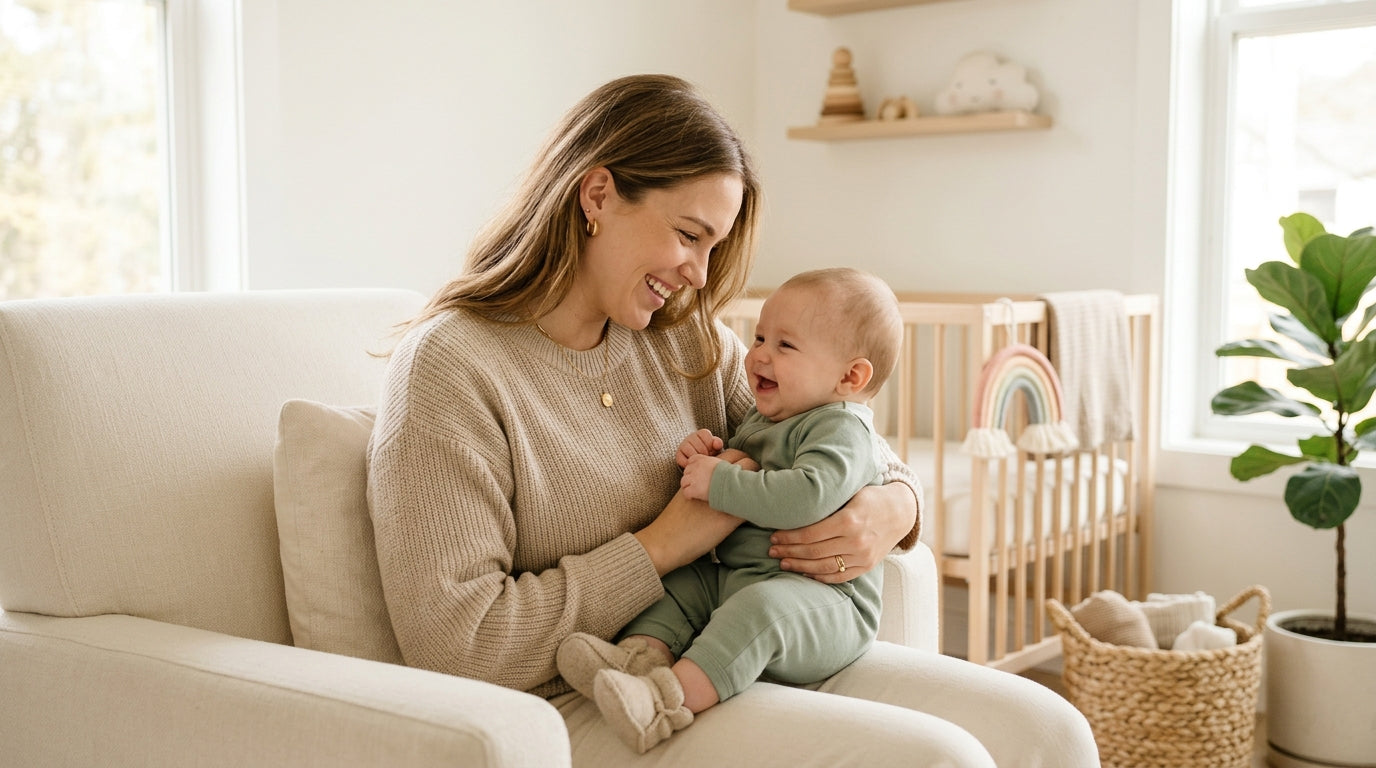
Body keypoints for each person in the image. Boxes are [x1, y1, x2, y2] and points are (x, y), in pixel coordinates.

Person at [366, 73, 1100, 766]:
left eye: (711, 246)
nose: (699, 273)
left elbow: (839, 432)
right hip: (570, 698)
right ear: (597, 195)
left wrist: (895, 506)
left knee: (1047, 730)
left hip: (725, 649)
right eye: (689, 235)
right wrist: (658, 548)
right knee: (940, 761)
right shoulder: (453, 367)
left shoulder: (680, 340)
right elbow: (458, 643)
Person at [556, 267, 906, 752]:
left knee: (758, 612)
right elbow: (746, 461)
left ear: (850, 376)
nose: (758, 353)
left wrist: (722, 483)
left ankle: (664, 703)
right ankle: (638, 660)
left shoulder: (840, 427)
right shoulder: (775, 413)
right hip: (746, 574)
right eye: (760, 336)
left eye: (785, 345)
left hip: (823, 605)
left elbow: (807, 494)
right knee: (680, 585)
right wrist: (708, 451)